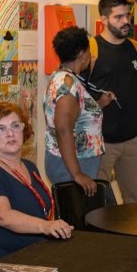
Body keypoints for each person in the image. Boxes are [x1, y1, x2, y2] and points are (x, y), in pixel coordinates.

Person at [0, 102, 73, 264]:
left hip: (34, 256)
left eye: (15, 126)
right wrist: (45, 226)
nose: (10, 133)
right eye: (1, 129)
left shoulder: (30, 167)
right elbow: (3, 216)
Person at [86, 0, 137, 203]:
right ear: (104, 19)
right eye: (118, 17)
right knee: (98, 202)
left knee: (135, 200)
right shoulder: (91, 51)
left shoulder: (135, 48)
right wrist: (99, 102)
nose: (125, 21)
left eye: (127, 15)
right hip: (101, 142)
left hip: (135, 138)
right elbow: (78, 98)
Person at [43, 26, 115, 196]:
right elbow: (63, 130)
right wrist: (77, 173)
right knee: (77, 211)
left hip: (69, 161)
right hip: (72, 165)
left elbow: (76, 115)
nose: (92, 56)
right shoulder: (68, 87)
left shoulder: (60, 76)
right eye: (89, 51)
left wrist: (98, 104)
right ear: (82, 55)